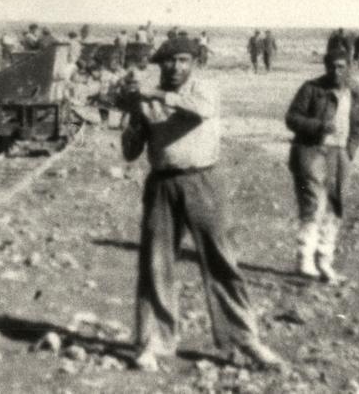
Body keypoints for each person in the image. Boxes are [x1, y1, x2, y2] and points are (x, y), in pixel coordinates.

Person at [118, 37, 285, 372]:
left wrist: (157, 96)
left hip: (204, 182)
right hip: (163, 184)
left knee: (221, 261)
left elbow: (200, 111)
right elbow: (130, 151)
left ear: (193, 62)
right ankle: (152, 341)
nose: (176, 67)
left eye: (182, 60)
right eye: (169, 61)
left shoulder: (205, 89)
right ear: (160, 64)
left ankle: (243, 340)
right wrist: (134, 115)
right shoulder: (147, 100)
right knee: (156, 264)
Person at [284, 46, 359, 283]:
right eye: (331, 66)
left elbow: (358, 125)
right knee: (313, 204)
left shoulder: (354, 93)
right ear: (325, 67)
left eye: (341, 66)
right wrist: (318, 126)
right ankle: (305, 260)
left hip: (339, 154)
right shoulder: (312, 89)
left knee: (335, 206)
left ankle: (325, 260)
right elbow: (292, 118)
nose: (336, 71)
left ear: (349, 67)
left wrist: (349, 151)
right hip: (311, 152)